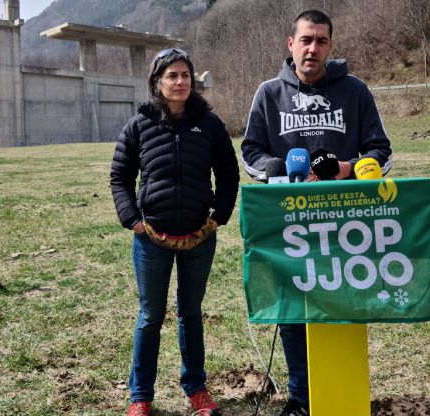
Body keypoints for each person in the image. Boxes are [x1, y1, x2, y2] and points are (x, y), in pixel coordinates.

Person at [240, 10, 393, 416]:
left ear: (330, 45)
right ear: (290, 44)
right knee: (294, 310)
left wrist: (342, 169)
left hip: (345, 221)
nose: (313, 48)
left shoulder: (355, 91)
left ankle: (343, 394)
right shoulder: (269, 93)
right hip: (289, 220)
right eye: (306, 39)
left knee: (341, 303)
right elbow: (251, 153)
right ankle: (301, 399)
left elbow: (382, 152)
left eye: (321, 41)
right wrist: (280, 175)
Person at [110, 48, 239, 416]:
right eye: (172, 76)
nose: (180, 82)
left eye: (185, 75)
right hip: (152, 239)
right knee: (150, 315)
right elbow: (120, 176)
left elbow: (229, 174)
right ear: (157, 82)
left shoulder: (210, 124)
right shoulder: (139, 124)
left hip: (200, 238)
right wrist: (132, 219)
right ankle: (140, 397)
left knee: (191, 313)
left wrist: (219, 216)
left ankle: (196, 389)